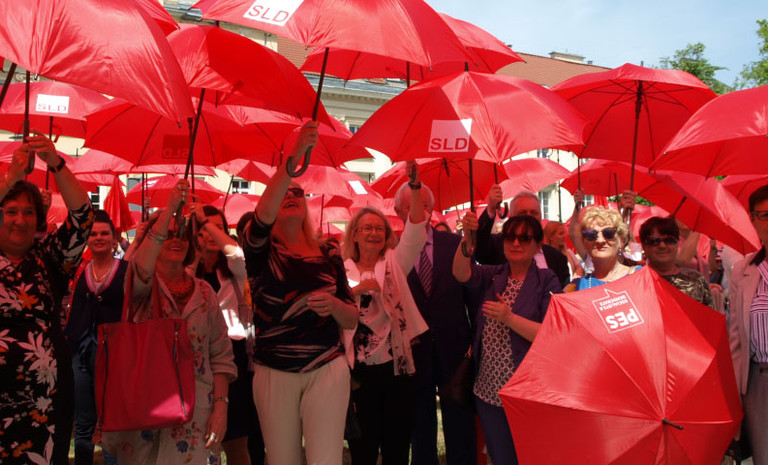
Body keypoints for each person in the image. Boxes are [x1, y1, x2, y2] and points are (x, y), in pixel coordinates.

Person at [243, 122, 358, 465]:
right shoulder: (259, 250)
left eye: (298, 193)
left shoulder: (329, 251)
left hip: (326, 366)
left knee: (326, 459)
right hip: (273, 369)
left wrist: (334, 305)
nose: (291, 196)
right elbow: (262, 216)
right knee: (282, 459)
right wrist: (293, 158)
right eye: (285, 192)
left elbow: (352, 317)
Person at [102, 179, 236, 464]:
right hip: (144, 410)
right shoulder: (140, 285)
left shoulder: (205, 292)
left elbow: (220, 355)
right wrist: (170, 211)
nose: (176, 240)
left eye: (182, 235)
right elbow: (140, 267)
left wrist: (221, 408)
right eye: (167, 234)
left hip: (196, 412)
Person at [0, 133, 94, 464]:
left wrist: (56, 163)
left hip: (46, 403)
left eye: (29, 213)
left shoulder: (49, 259)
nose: (20, 220)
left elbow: (83, 218)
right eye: (11, 211)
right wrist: (11, 177)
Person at [454, 214, 561, 465]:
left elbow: (551, 335)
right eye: (509, 237)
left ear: (538, 245)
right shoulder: (495, 274)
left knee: (531, 457)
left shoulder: (547, 280)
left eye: (524, 238)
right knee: (502, 457)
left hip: (527, 393)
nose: (515, 243)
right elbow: (460, 273)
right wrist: (466, 240)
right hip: (489, 391)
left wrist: (509, 318)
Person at [342, 162, 429, 464]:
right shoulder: (341, 270)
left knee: (396, 449)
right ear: (354, 235)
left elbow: (415, 231)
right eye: (367, 228)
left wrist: (415, 188)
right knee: (362, 451)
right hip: (357, 373)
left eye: (379, 228)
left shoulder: (395, 262)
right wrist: (357, 289)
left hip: (397, 370)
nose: (374, 233)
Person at [397, 185, 477, 465]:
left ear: (431, 210)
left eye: (422, 205)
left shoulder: (455, 244)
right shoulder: (392, 251)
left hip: (454, 347)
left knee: (460, 424)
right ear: (399, 212)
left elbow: (472, 294)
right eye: (409, 206)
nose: (417, 211)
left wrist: (474, 342)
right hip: (414, 351)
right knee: (420, 426)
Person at [189, 204, 264, 465]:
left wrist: (206, 224)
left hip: (232, 355)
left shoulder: (233, 270)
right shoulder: (187, 271)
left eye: (217, 228)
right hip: (195, 356)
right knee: (196, 438)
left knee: (235, 439)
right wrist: (194, 254)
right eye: (202, 229)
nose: (210, 234)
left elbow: (237, 254)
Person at [66, 210, 127, 465]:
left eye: (104, 233)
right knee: (84, 421)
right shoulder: (80, 270)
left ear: (114, 238)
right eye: (93, 234)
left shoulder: (126, 270)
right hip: (81, 355)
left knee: (111, 422)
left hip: (115, 356)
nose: (99, 238)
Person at [729, 183, 768, 465]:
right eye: (764, 215)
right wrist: (735, 397)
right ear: (753, 219)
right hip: (757, 383)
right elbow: (736, 342)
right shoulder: (743, 270)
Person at [476, 186, 569, 287]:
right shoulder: (498, 246)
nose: (528, 217)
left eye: (534, 213)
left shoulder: (558, 258)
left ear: (540, 217)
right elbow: (480, 244)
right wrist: (491, 209)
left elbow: (564, 292)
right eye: (522, 213)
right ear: (511, 217)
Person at [639, 216, 715, 309]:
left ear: (677, 244)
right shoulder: (636, 283)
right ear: (643, 246)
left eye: (669, 240)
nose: (662, 246)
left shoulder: (697, 281)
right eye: (654, 241)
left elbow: (710, 316)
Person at [564, 206, 636, 291]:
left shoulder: (640, 276)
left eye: (609, 233)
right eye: (591, 235)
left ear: (621, 241)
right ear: (583, 243)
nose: (600, 240)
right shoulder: (575, 288)